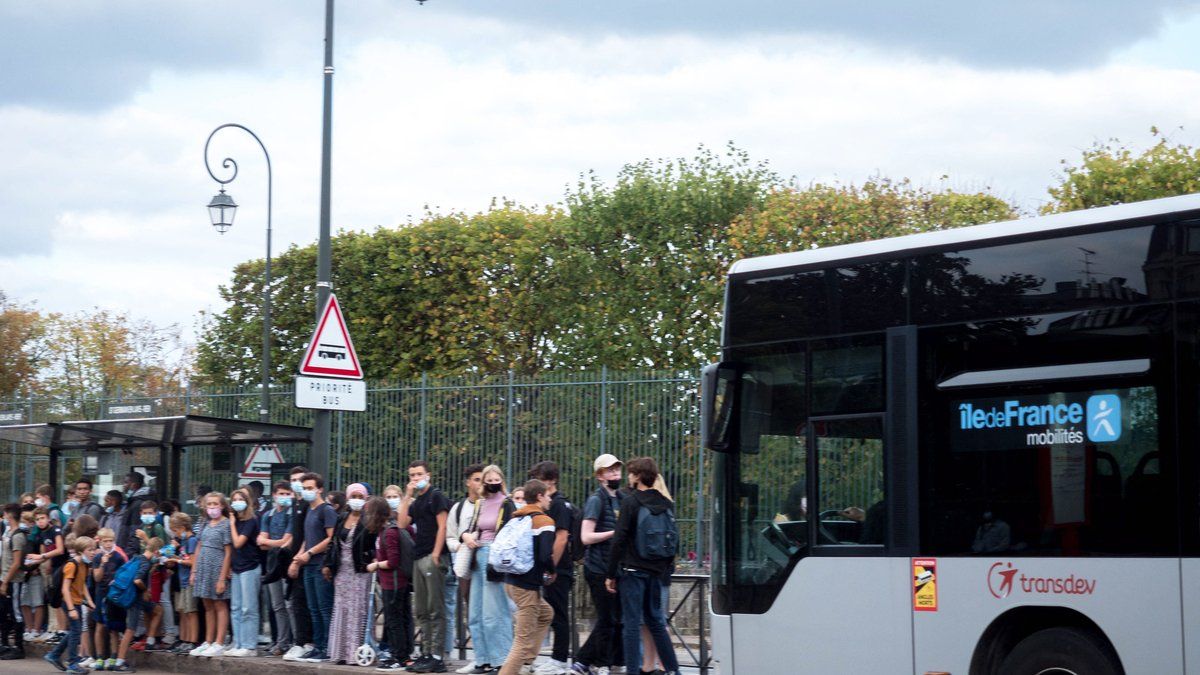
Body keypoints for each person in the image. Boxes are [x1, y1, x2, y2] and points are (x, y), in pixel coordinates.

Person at [606, 457, 681, 675]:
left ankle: (632, 671)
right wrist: (663, 567)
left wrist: (610, 573)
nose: (628, 477)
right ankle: (673, 670)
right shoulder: (666, 503)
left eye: (631, 473)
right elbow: (673, 540)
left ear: (638, 477)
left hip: (632, 571)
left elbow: (619, 539)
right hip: (656, 572)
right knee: (656, 621)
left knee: (631, 624)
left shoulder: (631, 502)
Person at [572, 454, 625, 675]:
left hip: (616, 567)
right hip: (598, 567)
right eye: (610, 470)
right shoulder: (596, 500)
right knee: (608, 618)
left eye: (617, 469)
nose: (615, 474)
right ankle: (600, 663)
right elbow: (586, 537)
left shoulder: (622, 498)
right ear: (600, 476)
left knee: (617, 618)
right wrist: (614, 533)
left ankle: (586, 662)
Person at [458, 465, 514, 675]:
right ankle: (482, 660)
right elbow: (470, 529)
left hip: (494, 557)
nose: (492, 483)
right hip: (477, 555)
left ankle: (501, 661)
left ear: (501, 480)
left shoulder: (507, 503)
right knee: (475, 613)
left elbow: (510, 532)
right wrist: (466, 536)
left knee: (494, 612)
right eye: (488, 480)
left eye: (495, 479)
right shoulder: (480, 503)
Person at [498, 479, 557, 675]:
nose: (550, 499)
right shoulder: (544, 521)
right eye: (547, 495)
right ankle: (518, 665)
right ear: (539, 496)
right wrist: (552, 570)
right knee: (521, 641)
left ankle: (526, 662)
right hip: (527, 586)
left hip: (511, 581)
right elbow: (545, 555)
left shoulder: (518, 517)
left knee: (546, 614)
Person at [398, 459, 451, 673]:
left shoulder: (436, 496)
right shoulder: (417, 500)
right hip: (418, 557)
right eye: (412, 475)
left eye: (419, 474)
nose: (416, 478)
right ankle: (426, 652)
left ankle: (437, 656)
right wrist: (407, 495)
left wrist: (436, 554)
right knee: (421, 609)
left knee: (435, 607)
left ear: (428, 475)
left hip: (432, 556)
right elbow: (402, 523)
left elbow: (443, 526)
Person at [527, 461, 575, 675]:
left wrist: (551, 567)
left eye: (541, 479)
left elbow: (561, 537)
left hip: (558, 569)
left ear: (552, 480)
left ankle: (559, 660)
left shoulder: (558, 504)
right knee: (548, 613)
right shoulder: (547, 504)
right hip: (549, 567)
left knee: (559, 614)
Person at [324, 483, 374, 665]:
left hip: (359, 570)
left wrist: (370, 560)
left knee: (357, 607)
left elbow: (373, 544)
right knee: (341, 607)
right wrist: (327, 564)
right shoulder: (342, 517)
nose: (357, 500)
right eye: (354, 496)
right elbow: (333, 542)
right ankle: (340, 652)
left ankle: (356, 652)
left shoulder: (369, 520)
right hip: (341, 570)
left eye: (360, 497)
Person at [290, 471, 337, 663]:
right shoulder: (309, 510)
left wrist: (309, 553)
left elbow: (330, 538)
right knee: (313, 608)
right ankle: (317, 646)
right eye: (305, 488)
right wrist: (299, 556)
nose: (307, 491)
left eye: (310, 488)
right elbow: (308, 538)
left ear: (320, 489)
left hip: (321, 564)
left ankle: (327, 647)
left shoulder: (327, 510)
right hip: (308, 565)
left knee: (324, 607)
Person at [370, 495, 413, 672]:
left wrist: (376, 565)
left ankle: (400, 657)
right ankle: (402, 655)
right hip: (390, 582)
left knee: (395, 620)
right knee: (396, 619)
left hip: (394, 583)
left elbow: (393, 561)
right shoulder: (385, 531)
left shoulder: (389, 532)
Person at [446, 464, 484, 661]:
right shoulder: (458, 508)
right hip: (467, 564)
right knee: (473, 612)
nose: (480, 484)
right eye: (476, 479)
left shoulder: (494, 505)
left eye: (483, 479)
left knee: (492, 613)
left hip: (488, 564)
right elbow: (450, 537)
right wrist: (460, 546)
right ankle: (479, 657)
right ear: (468, 482)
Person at [44, 535, 97, 673]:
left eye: (94, 549)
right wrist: (71, 609)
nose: (93, 552)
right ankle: (72, 663)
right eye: (90, 550)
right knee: (76, 631)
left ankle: (54, 655)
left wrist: (89, 601)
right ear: (81, 550)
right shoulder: (71, 565)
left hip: (77, 602)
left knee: (75, 631)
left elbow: (82, 584)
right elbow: (65, 589)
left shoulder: (85, 565)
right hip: (69, 602)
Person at [111, 537, 163, 672]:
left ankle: (150, 641)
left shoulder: (137, 558)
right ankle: (119, 662)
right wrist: (145, 590)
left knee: (158, 610)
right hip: (135, 599)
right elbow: (137, 580)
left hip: (138, 598)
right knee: (130, 630)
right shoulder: (145, 563)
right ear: (156, 551)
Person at [189, 492, 232, 658]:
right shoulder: (205, 523)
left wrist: (222, 577)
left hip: (217, 567)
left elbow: (228, 552)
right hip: (203, 567)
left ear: (222, 506)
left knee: (219, 604)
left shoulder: (226, 524)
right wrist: (194, 570)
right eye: (209, 504)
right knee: (207, 605)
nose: (212, 507)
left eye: (216, 504)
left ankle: (219, 642)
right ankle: (208, 641)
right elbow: (198, 546)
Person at [281, 466, 315, 663]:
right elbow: (296, 533)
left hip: (305, 560)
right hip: (295, 559)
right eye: (293, 480)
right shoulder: (295, 503)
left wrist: (298, 559)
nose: (297, 483)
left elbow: (308, 535)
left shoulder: (309, 505)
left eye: (300, 480)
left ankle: (306, 643)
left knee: (304, 604)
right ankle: (299, 641)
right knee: (295, 603)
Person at [258, 481, 294, 656]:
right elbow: (260, 543)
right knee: (277, 606)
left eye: (288, 493)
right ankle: (282, 642)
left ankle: (295, 642)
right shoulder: (268, 515)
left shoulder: (292, 514)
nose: (284, 497)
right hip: (272, 565)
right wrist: (276, 542)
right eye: (281, 493)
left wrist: (270, 542)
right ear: (274, 495)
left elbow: (286, 542)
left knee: (290, 605)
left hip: (287, 563)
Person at [227, 488, 261, 657]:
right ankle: (238, 642)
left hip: (250, 567)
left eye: (240, 499)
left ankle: (249, 645)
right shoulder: (236, 520)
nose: (237, 502)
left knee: (249, 608)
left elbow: (238, 542)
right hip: (237, 567)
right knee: (236, 607)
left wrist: (232, 524)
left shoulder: (251, 521)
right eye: (234, 499)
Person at [91, 527, 127, 670]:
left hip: (114, 596)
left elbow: (123, 576)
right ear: (100, 542)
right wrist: (102, 563)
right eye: (105, 541)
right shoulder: (97, 557)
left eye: (111, 541)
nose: (108, 544)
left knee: (114, 628)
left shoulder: (118, 557)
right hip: (101, 594)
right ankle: (100, 657)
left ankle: (113, 657)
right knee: (100, 626)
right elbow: (97, 578)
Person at [165, 513, 199, 654]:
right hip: (182, 580)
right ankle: (184, 640)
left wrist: (177, 560)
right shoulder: (184, 541)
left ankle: (192, 640)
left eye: (176, 531)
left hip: (189, 580)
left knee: (191, 611)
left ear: (183, 528)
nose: (176, 534)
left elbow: (192, 561)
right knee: (184, 612)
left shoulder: (192, 540)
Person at [0, 503, 28, 661]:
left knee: (16, 612)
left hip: (14, 581)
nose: (4, 516)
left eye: (5, 514)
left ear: (10, 515)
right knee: (3, 612)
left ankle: (18, 647)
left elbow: (16, 563)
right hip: (4, 578)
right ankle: (4, 643)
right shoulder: (8, 532)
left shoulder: (17, 536)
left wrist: (5, 582)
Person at [118, 473, 155, 556]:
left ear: (133, 485)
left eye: (126, 482)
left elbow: (135, 531)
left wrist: (128, 554)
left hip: (131, 553)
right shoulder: (133, 502)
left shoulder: (137, 504)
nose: (123, 485)